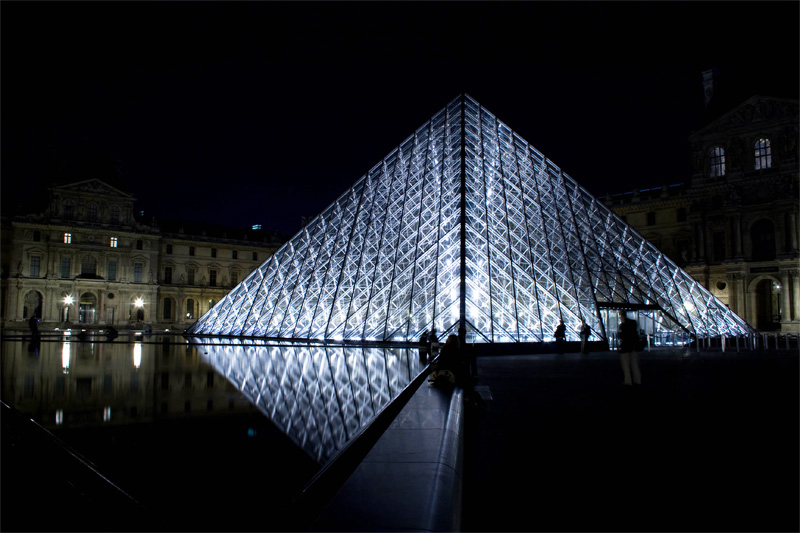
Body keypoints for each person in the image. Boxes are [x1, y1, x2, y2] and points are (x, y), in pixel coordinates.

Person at [617, 314, 642, 386]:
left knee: (626, 365)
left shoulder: (623, 325)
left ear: (622, 316)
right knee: (635, 365)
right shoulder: (633, 324)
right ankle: (638, 380)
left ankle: (628, 381)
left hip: (625, 347)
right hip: (633, 346)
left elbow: (621, 336)